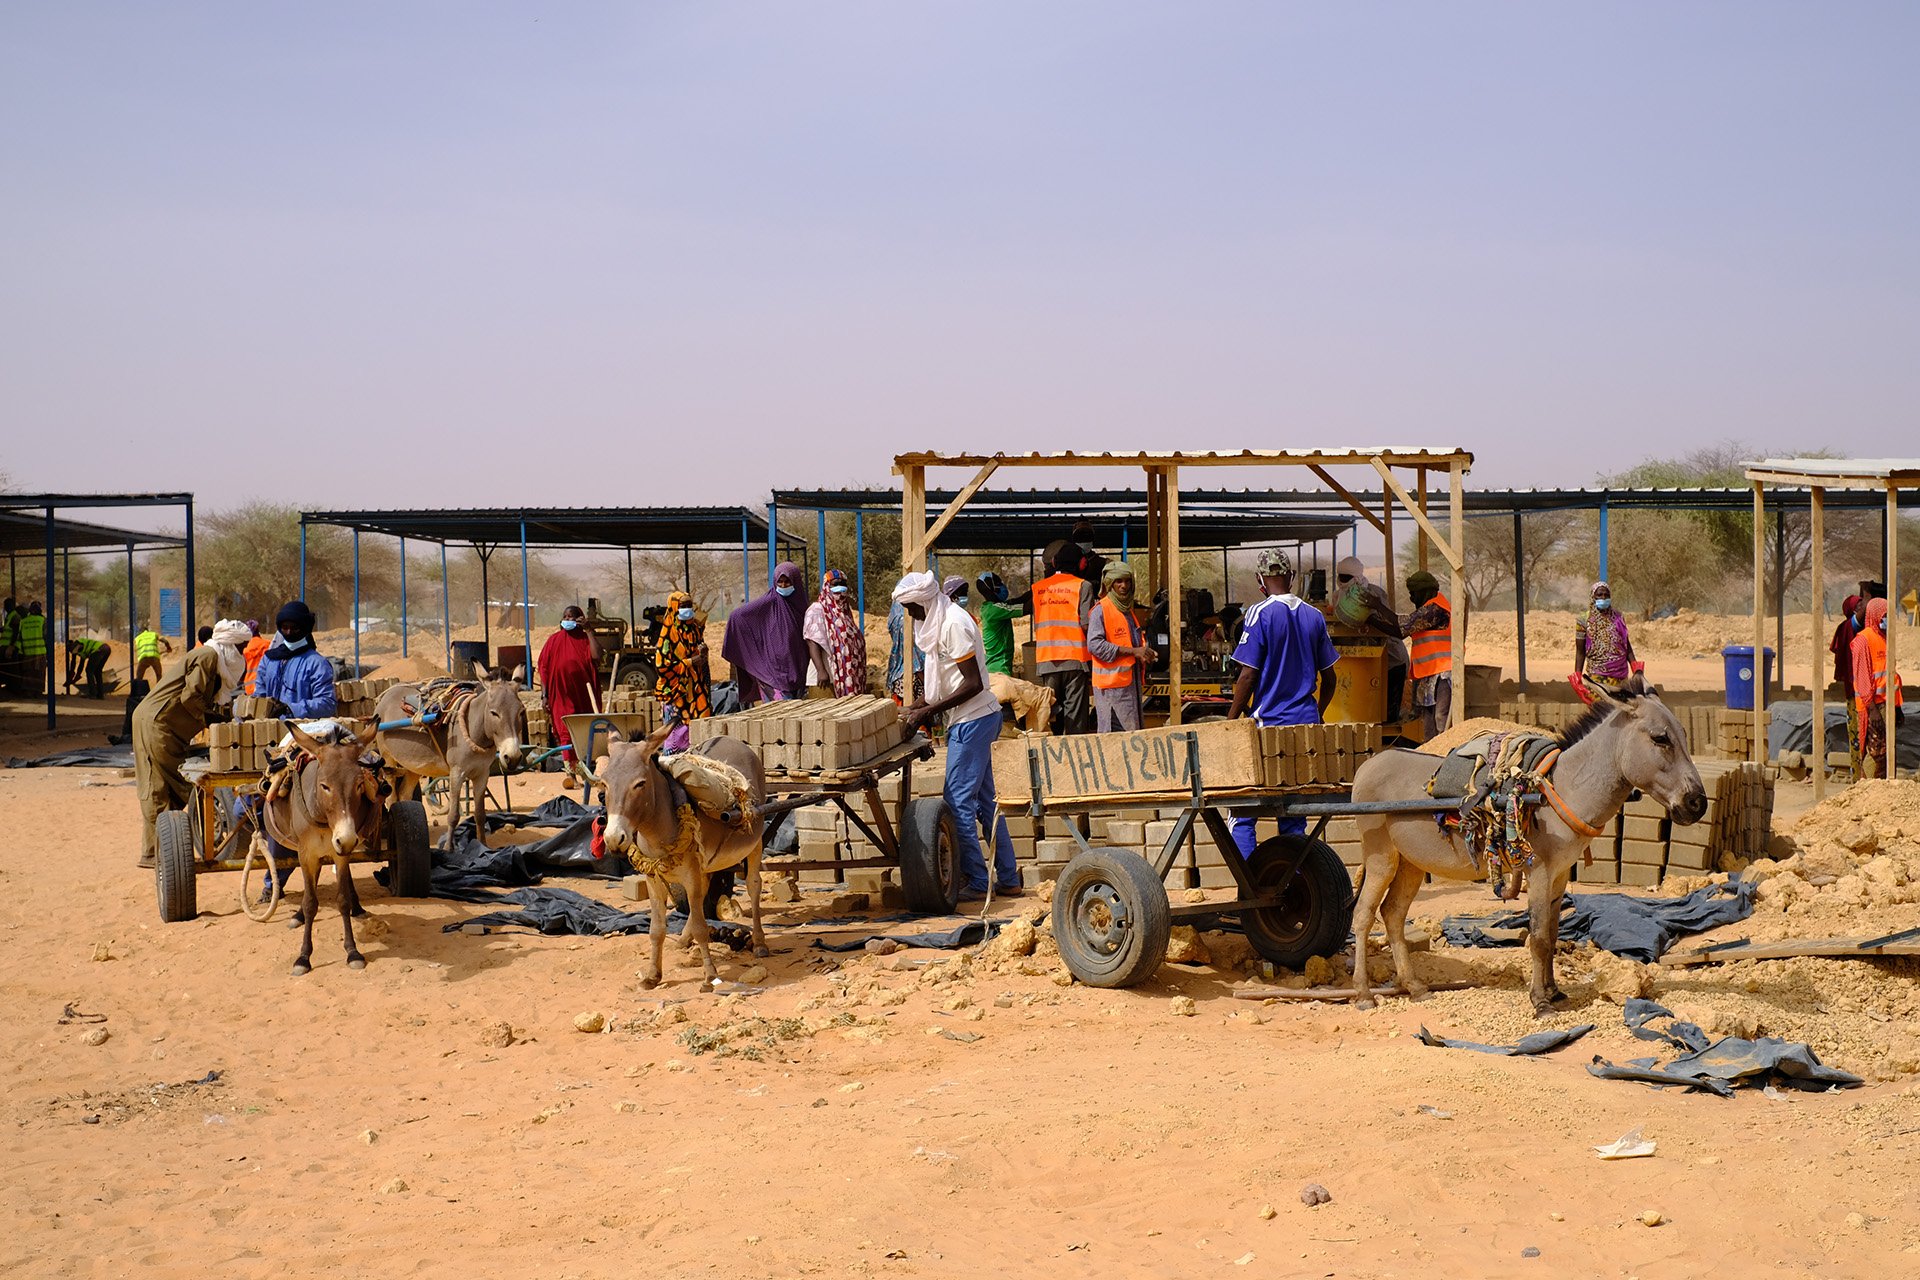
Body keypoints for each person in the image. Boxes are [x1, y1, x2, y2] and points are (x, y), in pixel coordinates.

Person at [892, 571, 1021, 900]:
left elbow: (973, 683)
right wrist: (916, 707)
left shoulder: (953, 624)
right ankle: (1008, 878)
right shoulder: (936, 622)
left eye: (911, 608)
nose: (910, 615)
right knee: (986, 802)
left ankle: (977, 881)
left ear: (923, 602)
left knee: (958, 802)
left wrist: (927, 712)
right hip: (969, 718)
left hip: (974, 720)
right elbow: (942, 683)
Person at [1227, 550, 1338, 854]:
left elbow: (1247, 676)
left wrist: (1230, 722)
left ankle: (1248, 888)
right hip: (1305, 728)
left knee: (1242, 813)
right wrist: (1318, 712)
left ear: (1260, 580)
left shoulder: (1258, 613)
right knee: (1293, 815)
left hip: (1268, 727)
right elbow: (1330, 679)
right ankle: (1294, 883)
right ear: (1291, 577)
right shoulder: (1314, 616)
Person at [132, 619, 250, 867]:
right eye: (241, 647)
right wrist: (213, 718)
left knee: (170, 787)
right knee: (163, 785)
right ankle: (155, 853)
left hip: (167, 726)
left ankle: (160, 850)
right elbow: (191, 696)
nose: (242, 654)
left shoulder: (214, 660)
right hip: (157, 723)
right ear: (230, 644)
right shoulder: (207, 656)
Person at [723, 561, 811, 706]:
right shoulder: (768, 602)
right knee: (780, 713)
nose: (783, 586)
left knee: (796, 713)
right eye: (780, 582)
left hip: (797, 669)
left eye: (787, 582)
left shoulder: (801, 606)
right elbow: (737, 617)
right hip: (773, 671)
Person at [1031, 542, 1095, 734]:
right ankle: (1075, 758)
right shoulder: (1083, 586)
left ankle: (1053, 757)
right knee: (1075, 717)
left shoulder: (1038, 588)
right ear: (1081, 564)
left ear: (1054, 562)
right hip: (1075, 660)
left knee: (1050, 713)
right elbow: (1086, 624)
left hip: (1046, 660)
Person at [1334, 557, 1408, 723]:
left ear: (1358, 577)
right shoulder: (1338, 597)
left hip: (1391, 660)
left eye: (1347, 578)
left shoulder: (1375, 595)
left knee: (1387, 713)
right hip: (1363, 663)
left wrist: (1371, 618)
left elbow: (1392, 625)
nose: (1343, 582)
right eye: (1341, 577)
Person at [1086, 562, 1155, 732]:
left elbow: (1131, 642)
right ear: (1109, 584)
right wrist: (1134, 651)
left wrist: (1145, 652)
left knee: (1131, 736)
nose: (1124, 586)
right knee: (1115, 739)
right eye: (1118, 582)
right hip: (1111, 692)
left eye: (1127, 581)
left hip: (1129, 687)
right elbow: (1094, 645)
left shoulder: (1127, 611)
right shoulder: (1100, 611)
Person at [538, 605, 601, 779]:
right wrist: (545, 695)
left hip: (583, 694)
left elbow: (596, 657)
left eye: (572, 617)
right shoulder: (553, 640)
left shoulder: (585, 639)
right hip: (560, 694)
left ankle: (584, 770)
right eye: (565, 617)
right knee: (565, 732)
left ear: (580, 619)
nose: (568, 620)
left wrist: (589, 631)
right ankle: (570, 773)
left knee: (582, 731)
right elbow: (543, 668)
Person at [251, 600, 338, 719]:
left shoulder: (317, 663)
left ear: (305, 629)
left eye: (294, 628)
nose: (289, 632)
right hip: (269, 730)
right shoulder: (269, 659)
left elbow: (327, 704)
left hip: (301, 732)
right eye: (285, 628)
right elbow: (259, 696)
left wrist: (290, 709)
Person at [1852, 597, 1904, 779]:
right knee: (1875, 752)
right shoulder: (1862, 641)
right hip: (1873, 707)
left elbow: (1890, 675)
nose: (1887, 619)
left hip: (1887, 704)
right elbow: (1863, 679)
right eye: (1884, 616)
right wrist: (1872, 710)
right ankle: (1866, 789)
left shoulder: (1885, 638)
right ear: (1875, 616)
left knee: (1887, 752)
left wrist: (1897, 708)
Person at [655, 591, 712, 752]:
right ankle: (672, 766)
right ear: (674, 608)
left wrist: (702, 652)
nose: (687, 609)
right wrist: (689, 662)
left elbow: (698, 652)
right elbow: (662, 666)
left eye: (689, 606)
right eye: (683, 606)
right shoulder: (667, 635)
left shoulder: (693, 629)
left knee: (698, 731)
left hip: (695, 689)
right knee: (676, 734)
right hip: (676, 692)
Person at [1401, 570, 1454, 740]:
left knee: (1442, 718)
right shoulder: (1427, 609)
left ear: (1426, 591)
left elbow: (1402, 628)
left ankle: (1446, 755)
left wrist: (1375, 611)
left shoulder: (1436, 609)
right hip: (1428, 672)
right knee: (1428, 721)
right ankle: (1431, 756)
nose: (1411, 599)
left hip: (1443, 672)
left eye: (1413, 594)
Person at [803, 569, 869, 697]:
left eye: (843, 583)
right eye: (835, 584)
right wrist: (821, 670)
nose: (839, 587)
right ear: (827, 586)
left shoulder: (845, 613)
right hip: (826, 680)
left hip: (846, 679)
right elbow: (812, 642)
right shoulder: (817, 609)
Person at [1574, 581, 1636, 690]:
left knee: (1625, 705)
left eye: (1607, 595)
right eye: (1600, 595)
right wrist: (1577, 674)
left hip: (1620, 676)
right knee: (1600, 705)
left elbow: (1626, 645)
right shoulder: (1583, 620)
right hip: (1597, 674)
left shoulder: (1618, 617)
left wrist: (1635, 667)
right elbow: (1580, 652)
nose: (1603, 597)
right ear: (1593, 597)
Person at [1831, 595, 1864, 778]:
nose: (1862, 606)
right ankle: (1859, 778)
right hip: (1855, 692)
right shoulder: (1848, 628)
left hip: (1866, 692)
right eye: (1858, 604)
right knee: (1858, 736)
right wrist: (1868, 595)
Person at [974, 572, 1025, 677]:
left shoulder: (989, 607)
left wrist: (1035, 590)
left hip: (995, 668)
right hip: (999, 669)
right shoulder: (995, 610)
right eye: (999, 583)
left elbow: (1015, 601)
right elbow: (1026, 608)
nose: (1002, 585)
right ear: (992, 588)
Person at [17, 602, 48, 696]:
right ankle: (37, 692)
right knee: (39, 673)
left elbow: (19, 638)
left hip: (27, 653)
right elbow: (46, 636)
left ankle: (28, 692)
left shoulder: (23, 621)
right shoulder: (43, 620)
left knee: (28, 673)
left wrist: (19, 651)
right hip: (40, 652)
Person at [240, 619, 271, 693]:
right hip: (266, 686)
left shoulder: (244, 648)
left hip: (249, 687)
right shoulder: (269, 645)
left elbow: (241, 672)